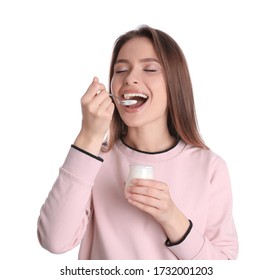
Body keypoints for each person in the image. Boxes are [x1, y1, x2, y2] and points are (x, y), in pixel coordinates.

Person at [37, 25, 239, 260]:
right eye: (120, 69)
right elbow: (54, 240)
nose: (130, 78)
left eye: (150, 69)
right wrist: (89, 137)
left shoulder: (210, 167)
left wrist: (172, 217)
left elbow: (223, 264)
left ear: (175, 84)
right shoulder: (93, 159)